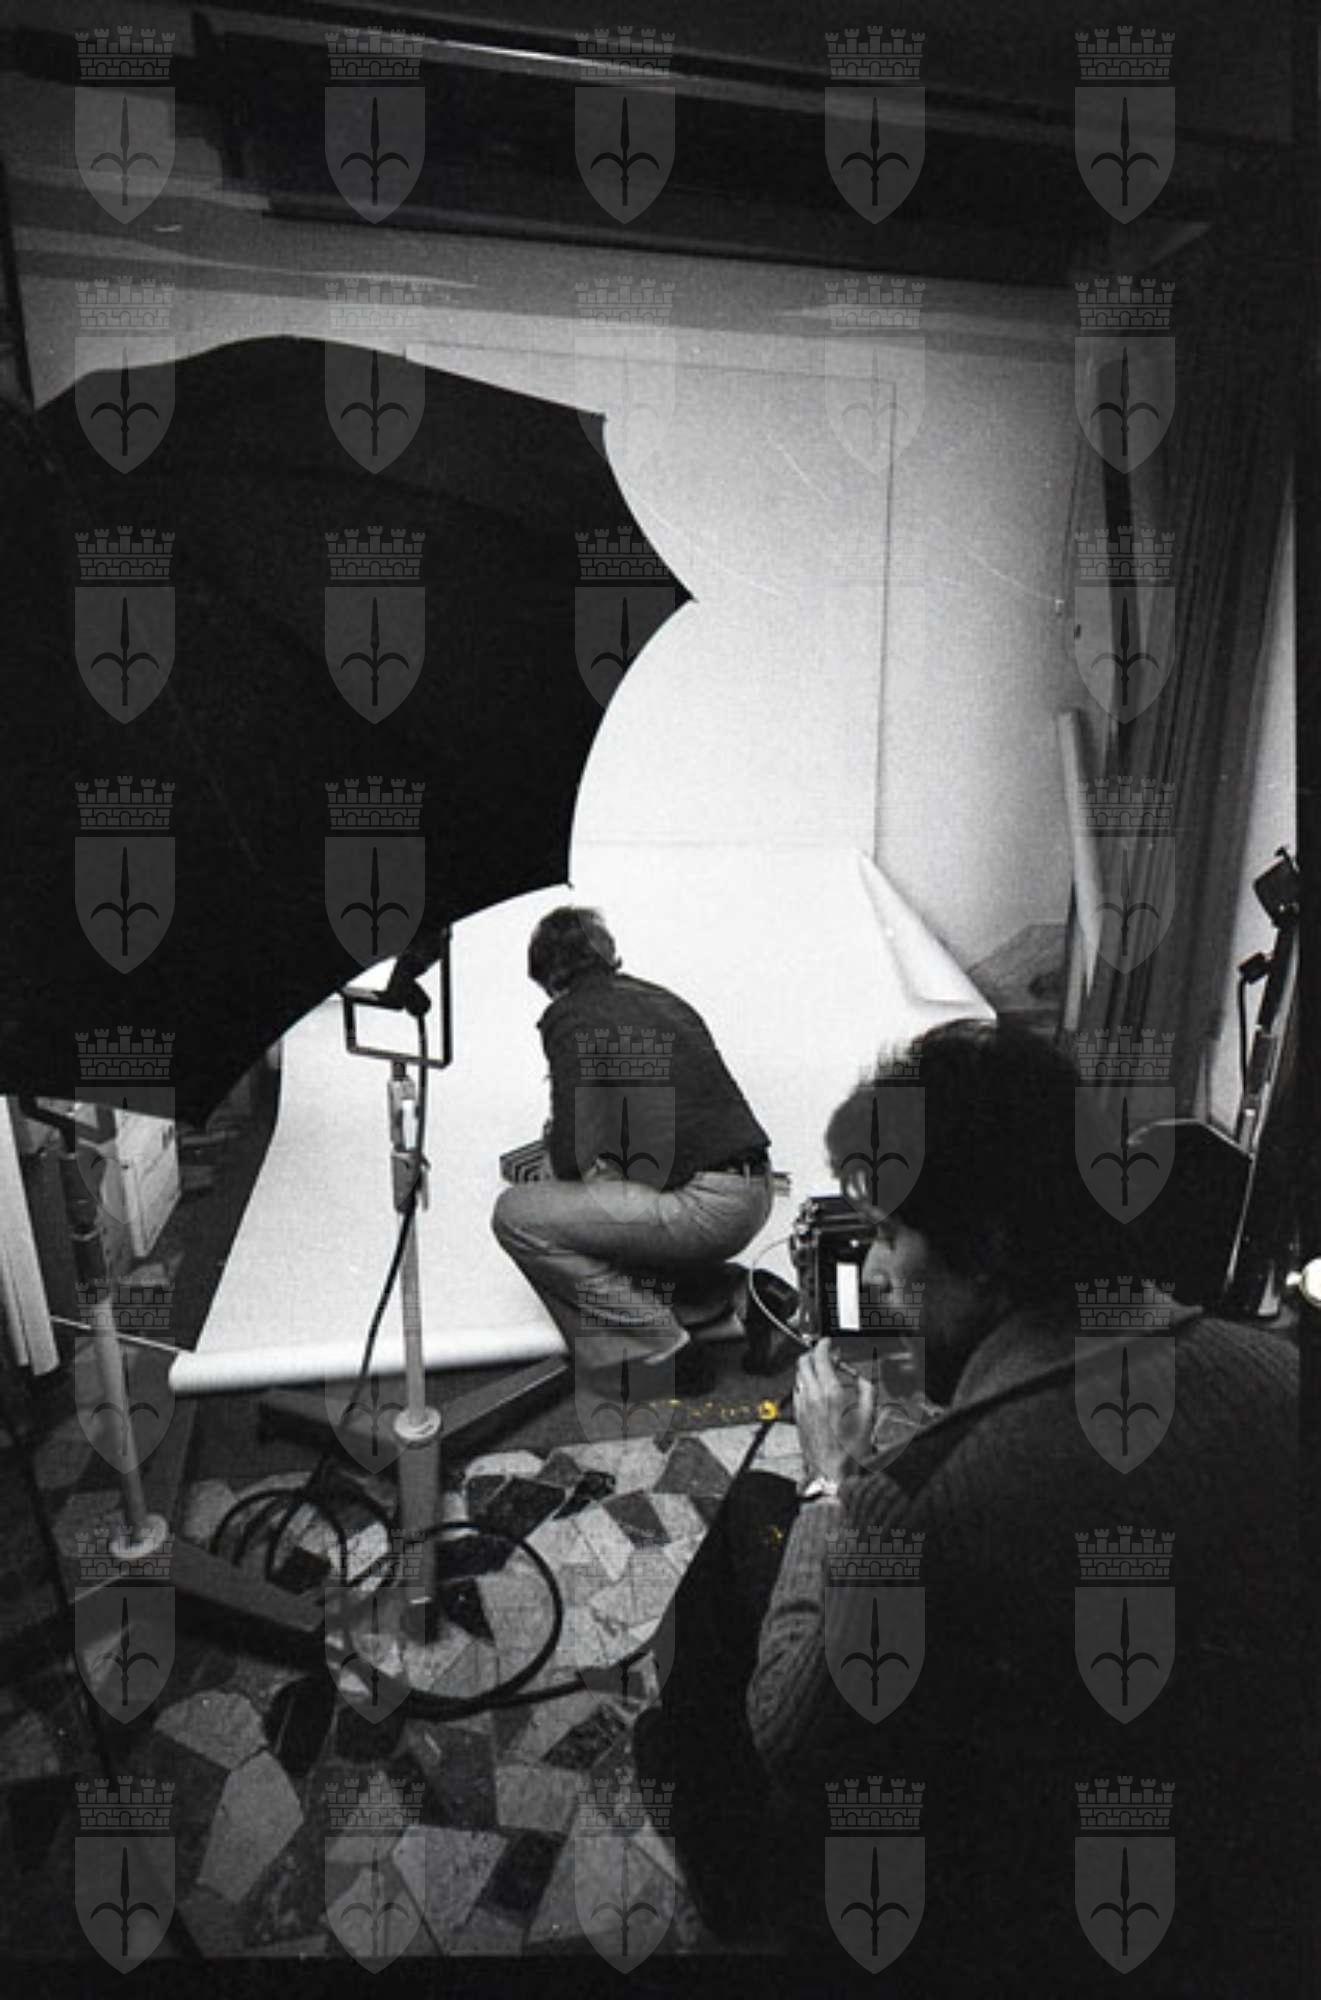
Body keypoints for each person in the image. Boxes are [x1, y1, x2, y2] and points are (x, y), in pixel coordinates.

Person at [634, 1019, 1302, 1990]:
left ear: (987, 1251)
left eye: (891, 1235)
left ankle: (732, 1872)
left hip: (1014, 1897)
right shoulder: (1280, 1375)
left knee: (751, 1531)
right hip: (1213, 1855)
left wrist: (833, 1483)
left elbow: (788, 1732)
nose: (875, 1273)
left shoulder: (921, 1503)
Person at [491, 906, 776, 1393]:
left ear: (547, 978)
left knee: (515, 1215)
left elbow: (571, 1159)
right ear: (607, 955)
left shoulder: (569, 1014)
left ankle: (663, 1350)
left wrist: (550, 1148)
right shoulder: (660, 997)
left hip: (706, 1206)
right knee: (602, 1204)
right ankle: (742, 1293)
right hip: (754, 1190)